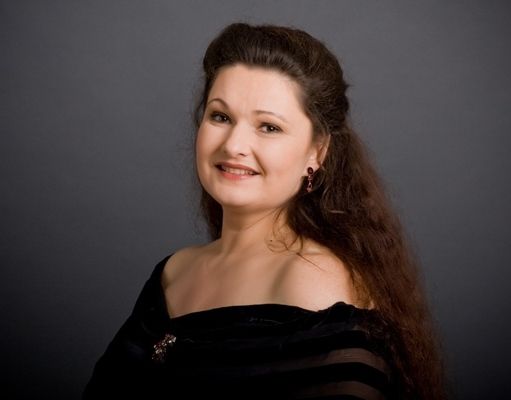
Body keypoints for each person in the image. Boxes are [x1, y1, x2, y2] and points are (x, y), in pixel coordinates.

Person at [83, 23, 446, 399]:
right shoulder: (173, 273)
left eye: (269, 127)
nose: (234, 144)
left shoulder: (316, 285)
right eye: (220, 117)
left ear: (317, 151)